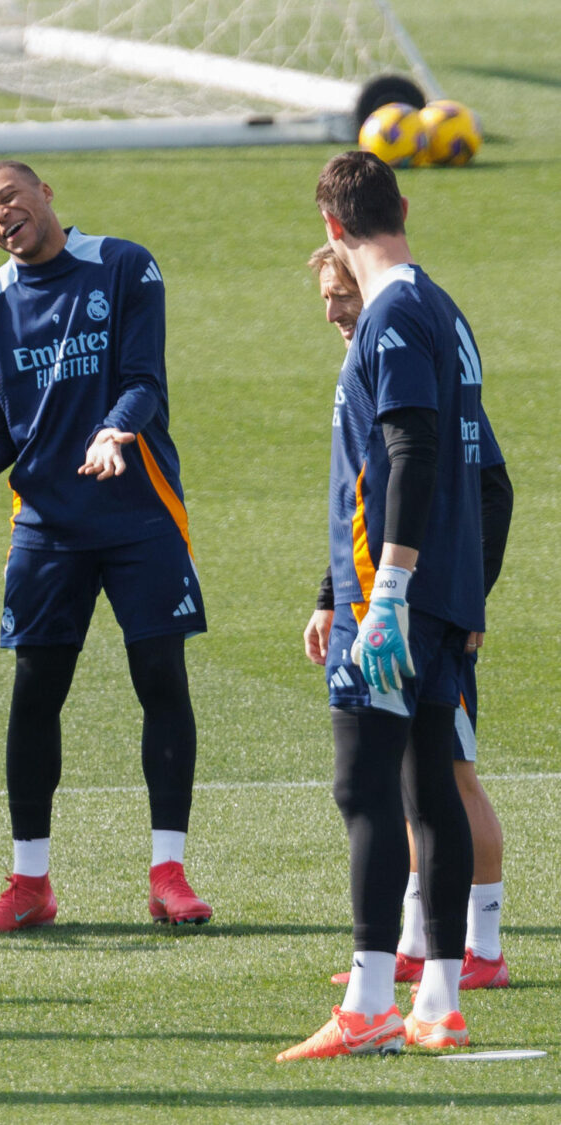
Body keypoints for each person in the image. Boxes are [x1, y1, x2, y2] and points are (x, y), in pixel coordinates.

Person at [0, 159, 212, 933]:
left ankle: (168, 874)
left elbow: (143, 377)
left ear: (45, 194)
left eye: (8, 199)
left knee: (159, 676)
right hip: (47, 528)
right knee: (34, 694)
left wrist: (117, 427)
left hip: (139, 513)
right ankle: (29, 885)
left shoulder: (124, 265)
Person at [277, 151, 501, 1062]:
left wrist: (387, 594)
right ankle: (438, 1002)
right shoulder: (438, 308)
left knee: (364, 788)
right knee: (425, 784)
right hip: (430, 591)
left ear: (333, 226)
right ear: (401, 205)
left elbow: (411, 452)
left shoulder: (396, 314)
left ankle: (370, 1001)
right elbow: (484, 471)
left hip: (396, 598)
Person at [306, 245, 511, 991]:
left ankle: (477, 947)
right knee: (414, 783)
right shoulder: (375, 353)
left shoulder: (406, 342)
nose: (332, 309)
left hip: (417, 607)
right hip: (397, 599)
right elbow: (362, 492)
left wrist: (468, 594)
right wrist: (331, 595)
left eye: (339, 292)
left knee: (448, 779)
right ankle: (427, 953)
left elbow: (488, 485)